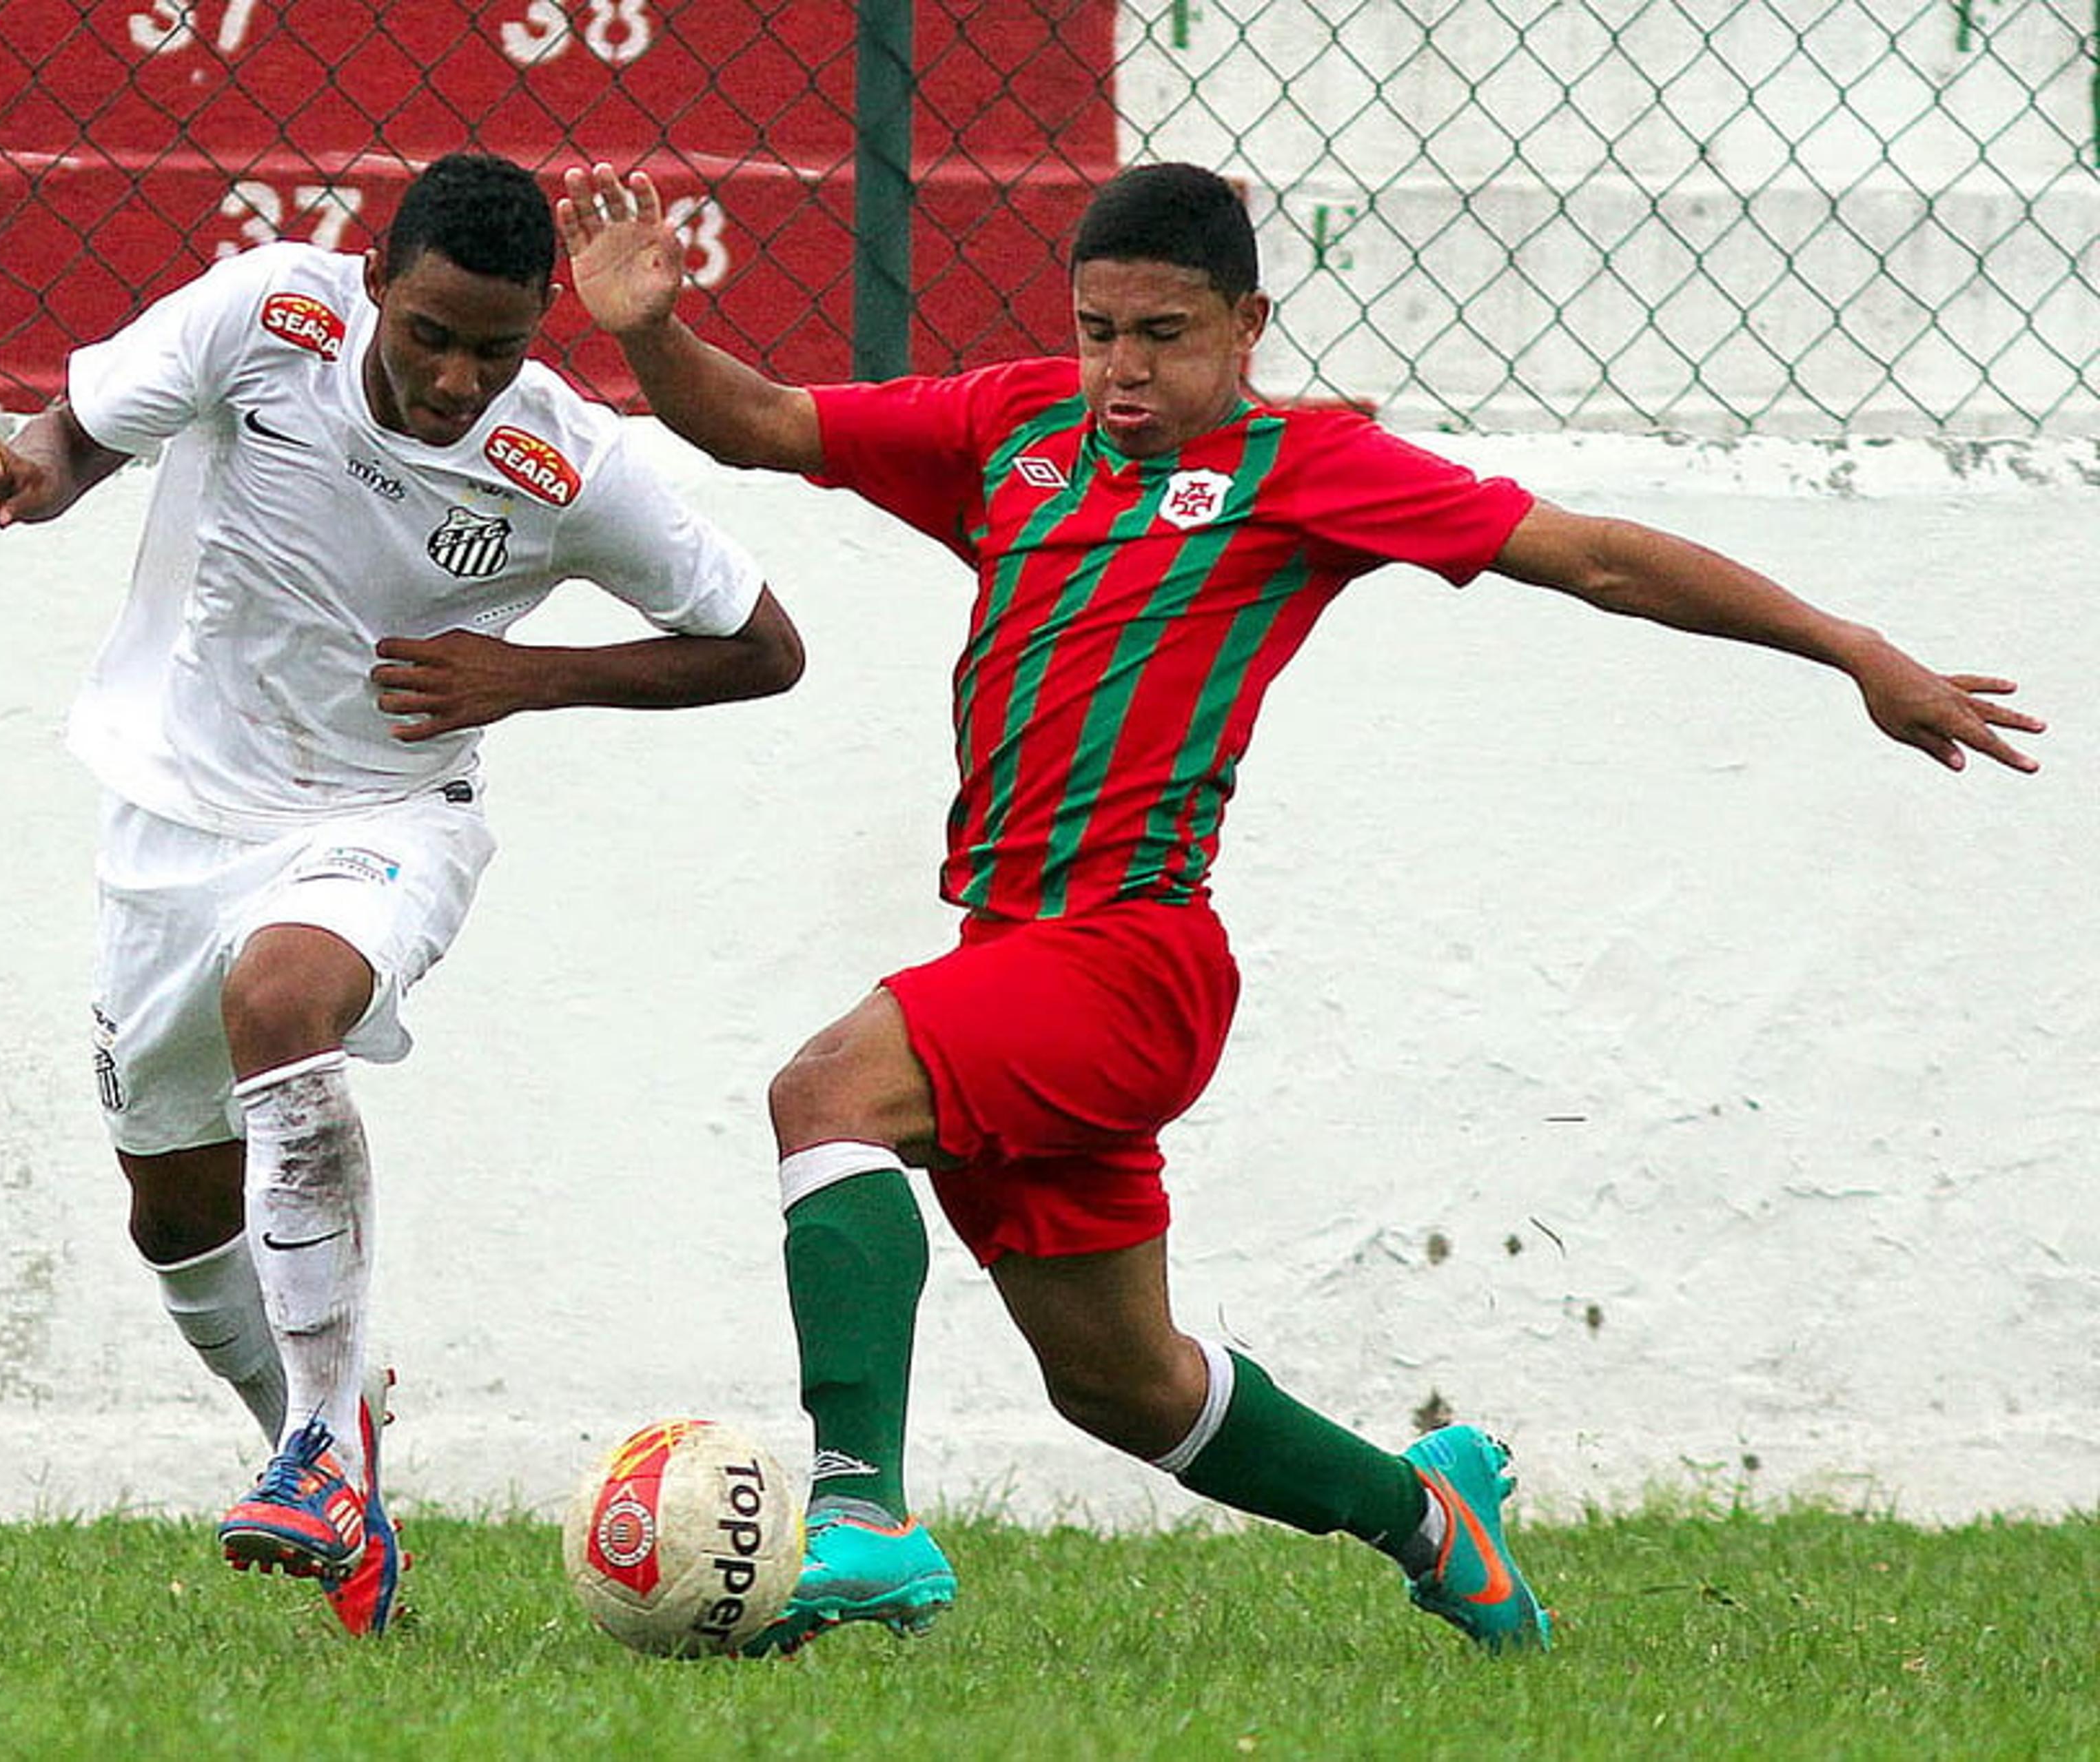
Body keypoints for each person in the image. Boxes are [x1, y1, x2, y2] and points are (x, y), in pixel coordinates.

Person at [557, 158, 2042, 1655]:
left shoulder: (1306, 467)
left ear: (1247, 323)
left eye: (1165, 333)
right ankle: (1427, 1516)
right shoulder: (1013, 425)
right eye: (1099, 329)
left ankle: (862, 1513)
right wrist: (653, 336)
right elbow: (764, 424)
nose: (1123, 369)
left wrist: (1851, 644)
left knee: (828, 1093)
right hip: (1015, 954)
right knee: (1125, 1390)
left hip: (1131, 954)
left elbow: (1592, 557)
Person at [0, 152, 804, 1637]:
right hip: (177, 810)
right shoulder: (267, 315)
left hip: (388, 814)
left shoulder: (566, 462)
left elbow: (762, 646)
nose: (458, 377)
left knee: (286, 994)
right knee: (174, 1211)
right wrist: (22, 479)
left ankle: (319, 1448)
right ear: (373, 285)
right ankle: (329, 1447)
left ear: (535, 339)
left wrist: (530, 675)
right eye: (431, 333)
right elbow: (74, 438)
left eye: (497, 349)